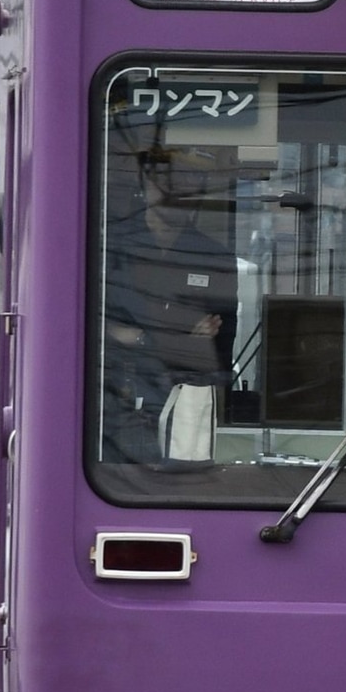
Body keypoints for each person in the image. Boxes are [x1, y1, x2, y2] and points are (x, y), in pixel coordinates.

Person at [102, 145, 238, 464]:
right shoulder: (111, 246)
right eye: (167, 182)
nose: (177, 193)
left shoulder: (213, 256)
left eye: (190, 185)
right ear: (145, 184)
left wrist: (136, 337)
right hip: (110, 406)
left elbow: (218, 349)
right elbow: (86, 328)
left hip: (185, 406)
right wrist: (172, 339)